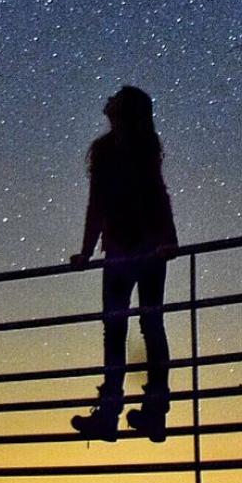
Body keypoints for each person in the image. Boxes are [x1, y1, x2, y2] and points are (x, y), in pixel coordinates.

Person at [69, 86, 178, 443]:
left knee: (147, 324)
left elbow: (157, 194)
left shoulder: (142, 148)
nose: (109, 100)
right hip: (123, 250)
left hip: (145, 249)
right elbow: (96, 204)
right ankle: (119, 413)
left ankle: (148, 412)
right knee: (125, 329)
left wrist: (167, 239)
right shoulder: (105, 151)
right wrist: (86, 250)